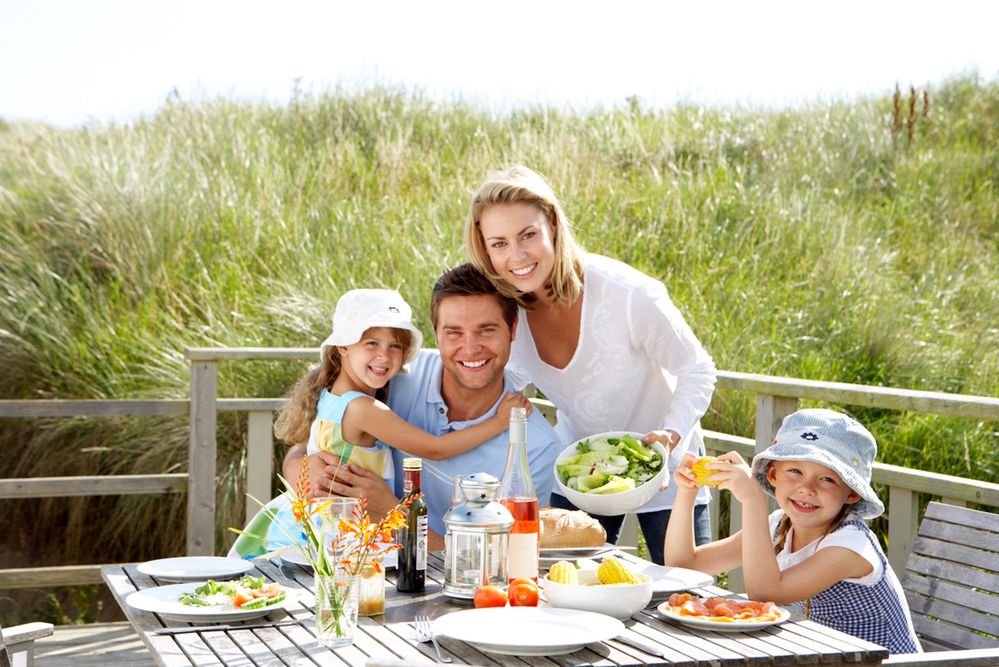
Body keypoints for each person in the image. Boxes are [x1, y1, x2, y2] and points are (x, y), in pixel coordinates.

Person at [463, 164, 716, 564]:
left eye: (528, 235)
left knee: (684, 588)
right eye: (499, 243)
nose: (517, 256)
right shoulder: (506, 314)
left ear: (552, 226)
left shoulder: (630, 294)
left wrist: (670, 435)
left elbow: (698, 369)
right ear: (485, 249)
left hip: (668, 464)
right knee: (557, 586)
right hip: (581, 469)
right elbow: (486, 382)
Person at [230, 287, 531, 557]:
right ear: (343, 347)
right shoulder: (363, 408)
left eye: (395, 346)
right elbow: (437, 449)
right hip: (341, 531)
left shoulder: (331, 395)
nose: (384, 357)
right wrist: (499, 422)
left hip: (319, 520)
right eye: (371, 343)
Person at [282, 264, 560, 549]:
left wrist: (395, 518)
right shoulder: (393, 378)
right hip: (344, 550)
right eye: (454, 332)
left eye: (486, 330)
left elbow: (505, 557)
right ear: (436, 333)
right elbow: (309, 446)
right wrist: (305, 472)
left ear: (512, 329)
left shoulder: (535, 445)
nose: (471, 347)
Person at [664, 409, 921, 654]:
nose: (806, 488)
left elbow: (765, 593)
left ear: (852, 493)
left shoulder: (851, 546)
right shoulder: (780, 526)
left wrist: (753, 499)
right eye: (795, 471)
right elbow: (684, 565)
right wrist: (687, 492)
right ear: (774, 475)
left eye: (827, 479)